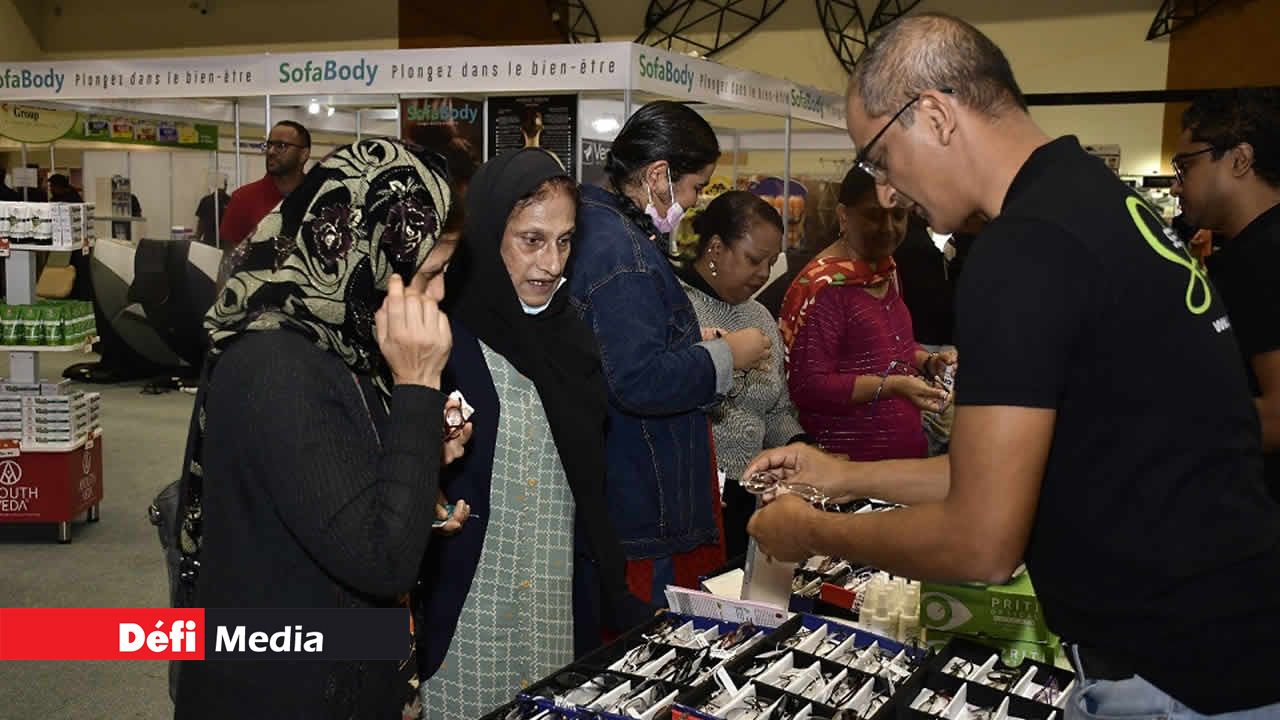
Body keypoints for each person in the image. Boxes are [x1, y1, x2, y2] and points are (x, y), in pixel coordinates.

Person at [744, 13, 1280, 717]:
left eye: (880, 157)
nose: (887, 191)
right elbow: (1009, 469)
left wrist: (813, 532)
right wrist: (842, 476)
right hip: (1224, 639)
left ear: (934, 115)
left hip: (1179, 674)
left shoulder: (1023, 249)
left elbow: (980, 542)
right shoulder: (1097, 204)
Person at [173, 138, 472, 719]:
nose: (438, 294)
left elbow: (340, 496)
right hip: (281, 687)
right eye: (429, 273)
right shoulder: (278, 364)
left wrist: (422, 460)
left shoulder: (342, 339)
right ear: (366, 252)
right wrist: (417, 387)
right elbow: (382, 561)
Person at [414, 148, 650, 718]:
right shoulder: (439, 339)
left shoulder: (573, 340)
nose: (551, 262)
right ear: (489, 235)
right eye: (531, 240)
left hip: (551, 601)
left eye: (564, 241)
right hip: (465, 610)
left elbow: (590, 486)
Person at [569, 100, 771, 603]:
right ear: (658, 175)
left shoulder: (603, 228)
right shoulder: (621, 251)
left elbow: (612, 345)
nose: (696, 200)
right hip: (641, 489)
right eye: (696, 186)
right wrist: (728, 356)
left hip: (629, 480)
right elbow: (637, 379)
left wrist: (688, 339)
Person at [780, 167, 953, 462]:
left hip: (903, 462)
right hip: (848, 467)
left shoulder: (884, 270)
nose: (888, 227)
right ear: (843, 216)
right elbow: (809, 386)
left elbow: (889, 347)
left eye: (898, 216)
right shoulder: (826, 287)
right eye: (874, 215)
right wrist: (891, 386)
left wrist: (928, 362)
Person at [675, 190, 807, 560]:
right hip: (694, 497)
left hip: (752, 498)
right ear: (716, 249)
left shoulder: (760, 316)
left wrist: (801, 448)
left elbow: (776, 410)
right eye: (753, 260)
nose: (764, 274)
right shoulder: (676, 308)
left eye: (771, 262)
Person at [1171, 88, 1280, 503]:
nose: (1176, 187)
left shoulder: (1263, 257)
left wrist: (1157, 423)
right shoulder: (1252, 251)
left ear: (1239, 160)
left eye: (1186, 166)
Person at [218, 120, 311, 251]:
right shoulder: (243, 199)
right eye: (269, 145)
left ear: (303, 154)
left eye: (281, 146)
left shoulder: (319, 196)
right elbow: (229, 256)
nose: (271, 152)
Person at [194, 179, 231, 247]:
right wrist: (197, 239)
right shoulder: (206, 200)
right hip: (209, 241)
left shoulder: (230, 201)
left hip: (226, 243)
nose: (223, 187)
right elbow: (201, 223)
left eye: (225, 185)